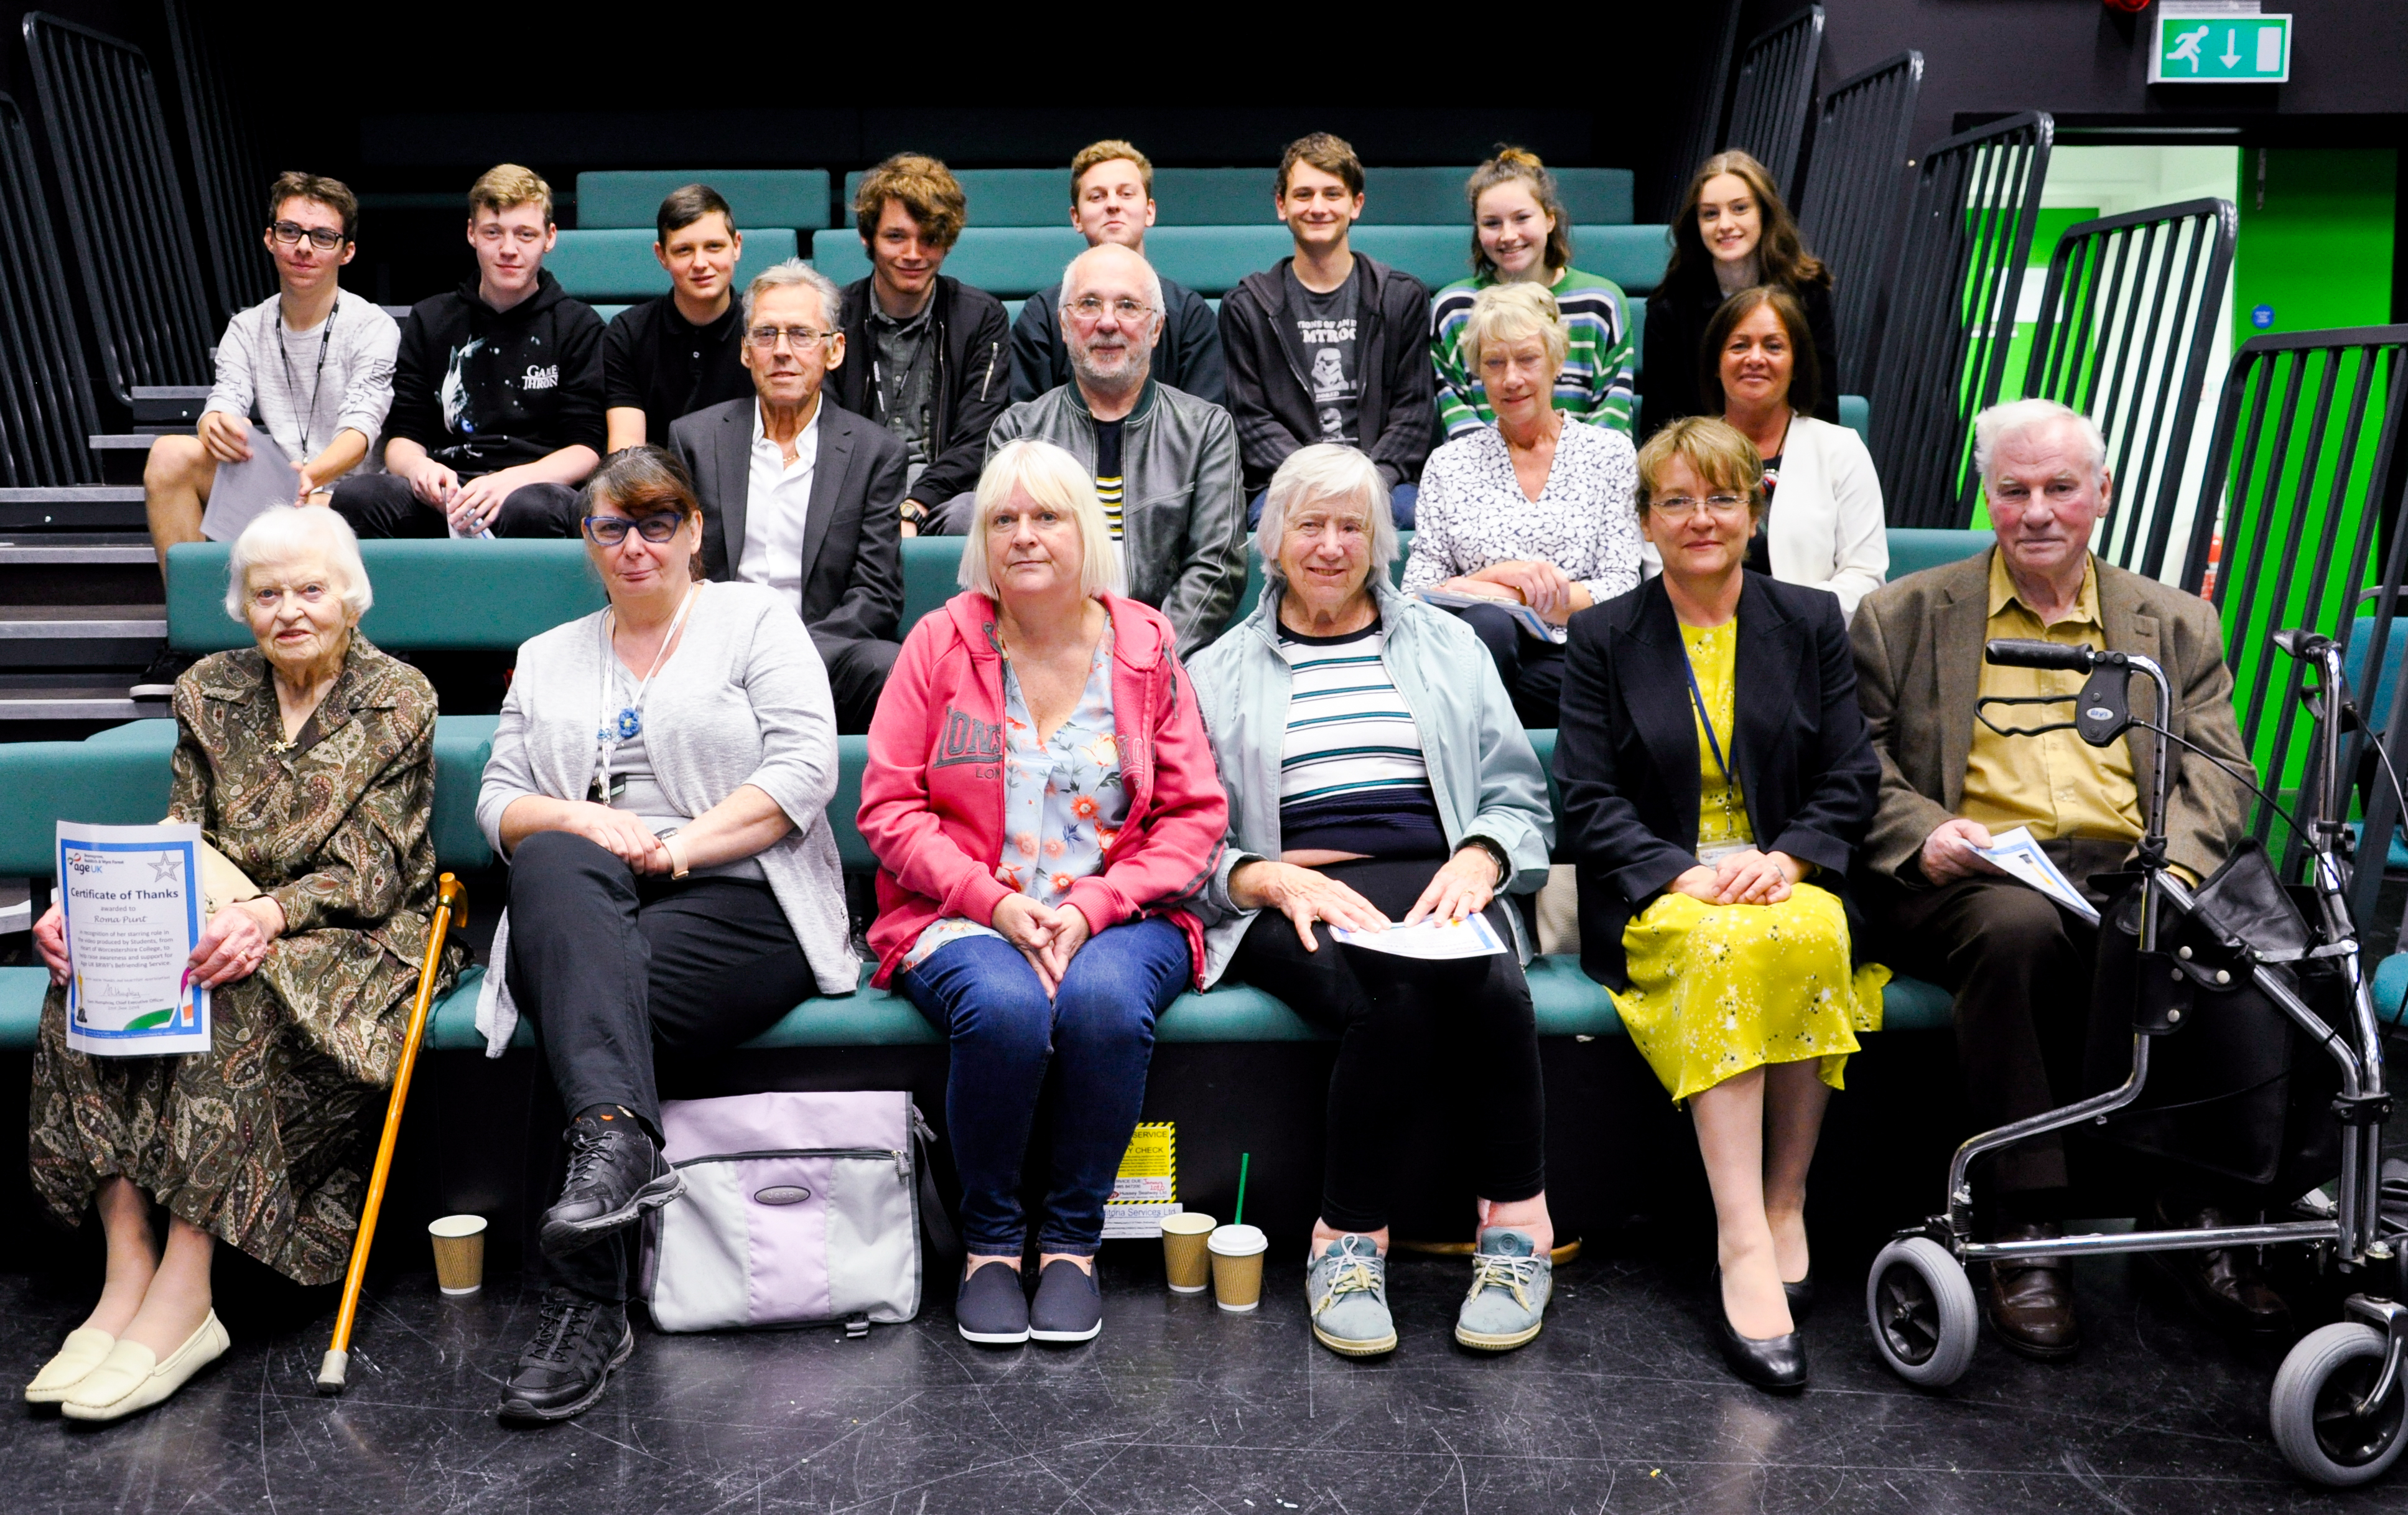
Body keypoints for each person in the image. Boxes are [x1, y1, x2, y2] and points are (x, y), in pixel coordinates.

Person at [1851, 398, 2269, 1362]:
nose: (2036, 509)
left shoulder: (2173, 621)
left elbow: (2218, 770)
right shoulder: (1903, 615)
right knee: (2015, 928)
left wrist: (2175, 867)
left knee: (2225, 934)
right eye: (2013, 489)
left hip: (2131, 860)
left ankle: (2203, 1205)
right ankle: (2026, 1223)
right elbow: (1858, 766)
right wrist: (1925, 831)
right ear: (1986, 497)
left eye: (2058, 488)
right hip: (1972, 872)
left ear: (2100, 495)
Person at [24, 506, 458, 1420]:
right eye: (267, 592)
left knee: (233, 997)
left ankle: (187, 1289)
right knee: (83, 987)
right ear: (241, 606)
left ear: (348, 596)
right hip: (224, 911)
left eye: (310, 588)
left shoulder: (399, 694)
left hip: (358, 932)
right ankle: (126, 1268)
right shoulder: (209, 690)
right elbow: (185, 831)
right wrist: (92, 907)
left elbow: (373, 868)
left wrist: (268, 913)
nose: (290, 609)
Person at [476, 447, 855, 1422]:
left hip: (742, 897)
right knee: (555, 860)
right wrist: (580, 821)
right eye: (612, 526)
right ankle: (616, 1144)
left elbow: (805, 771)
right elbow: (498, 802)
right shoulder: (550, 650)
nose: (634, 544)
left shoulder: (754, 623)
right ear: (588, 539)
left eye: (655, 522)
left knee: (578, 1002)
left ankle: (582, 1306)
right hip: (584, 909)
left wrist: (678, 847)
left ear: (692, 531)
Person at [858, 439, 1228, 1350]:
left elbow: (1192, 817)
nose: (1024, 536)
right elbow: (889, 806)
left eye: (1046, 515)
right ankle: (990, 1242)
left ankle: (1069, 1240)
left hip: (1121, 910)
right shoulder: (940, 642)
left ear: (1085, 531)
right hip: (960, 909)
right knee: (1005, 1005)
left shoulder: (1143, 642)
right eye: (1003, 518)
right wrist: (991, 902)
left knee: (1102, 1002)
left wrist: (1091, 907)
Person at [1190, 442, 1558, 1359]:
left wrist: (1480, 854)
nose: (1328, 545)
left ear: (1377, 541)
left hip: (1436, 878)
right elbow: (1184, 835)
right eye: (1307, 524)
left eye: (1349, 525)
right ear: (1271, 542)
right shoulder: (1213, 672)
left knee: (1493, 987)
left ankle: (1516, 1229)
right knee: (1387, 1002)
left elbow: (1518, 796)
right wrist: (1261, 876)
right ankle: (1345, 1239)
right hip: (1293, 895)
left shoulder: (1448, 642)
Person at [1554, 416, 1885, 1392]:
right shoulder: (1602, 634)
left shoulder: (1809, 619)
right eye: (1676, 501)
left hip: (1783, 872)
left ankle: (1786, 1199)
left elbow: (1850, 773)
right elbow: (1584, 794)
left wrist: (1787, 859)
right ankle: (1741, 1236)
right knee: (1724, 946)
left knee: (1804, 928)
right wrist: (1676, 871)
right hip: (1664, 887)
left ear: (1754, 508)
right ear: (1646, 521)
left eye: (1721, 497)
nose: (1701, 519)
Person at [134, 171, 400, 698]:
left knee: (347, 490)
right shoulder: (246, 326)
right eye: (290, 231)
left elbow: (362, 427)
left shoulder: (372, 326)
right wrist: (214, 423)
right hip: (277, 481)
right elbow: (225, 400)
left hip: (346, 489)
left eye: (322, 236)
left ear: (345, 252)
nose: (303, 247)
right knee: (170, 454)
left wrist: (318, 476)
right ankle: (193, 637)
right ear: (269, 238)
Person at [938, 245, 1244, 656]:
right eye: (1088, 304)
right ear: (1063, 324)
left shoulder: (1206, 429)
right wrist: (1074, 664)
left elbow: (1216, 568)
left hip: (1169, 658)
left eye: (1128, 306)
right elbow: (1006, 568)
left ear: (1156, 329)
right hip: (1046, 657)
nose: (1106, 322)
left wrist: (1148, 656)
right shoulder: (1018, 430)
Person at [669, 261, 905, 734]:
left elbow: (876, 593)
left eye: (800, 335)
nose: (781, 351)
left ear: (834, 350)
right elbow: (679, 571)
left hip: (822, 653)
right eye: (765, 335)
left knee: (889, 666)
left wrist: (792, 654)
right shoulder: (694, 439)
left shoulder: (875, 450)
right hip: (716, 652)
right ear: (745, 351)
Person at [1401, 282, 1643, 728]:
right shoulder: (1449, 463)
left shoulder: (1610, 454)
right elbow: (1415, 593)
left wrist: (1504, 596)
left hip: (1577, 654)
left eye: (1526, 359)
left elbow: (1623, 586)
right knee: (1488, 628)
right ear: (1478, 373)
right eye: (1494, 362)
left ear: (1555, 362)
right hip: (1476, 655)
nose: (1511, 378)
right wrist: (1496, 577)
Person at [331, 164, 604, 539]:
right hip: (445, 492)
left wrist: (513, 480)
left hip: (532, 487)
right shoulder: (430, 319)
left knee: (538, 508)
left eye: (525, 234)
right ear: (472, 233)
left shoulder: (579, 326)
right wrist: (418, 469)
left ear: (550, 237)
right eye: (494, 233)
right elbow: (404, 437)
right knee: (357, 497)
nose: (509, 249)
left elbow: (586, 448)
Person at [1221, 132, 1434, 528]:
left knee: (1422, 520)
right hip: (1287, 486)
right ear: (1282, 206)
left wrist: (1366, 483)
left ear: (1356, 205)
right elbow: (1251, 423)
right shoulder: (1248, 307)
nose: (1317, 208)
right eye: (1303, 195)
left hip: (1383, 483)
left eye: (1332, 194)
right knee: (1274, 523)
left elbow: (1414, 415)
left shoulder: (1400, 297)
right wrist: (1317, 485)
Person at [823, 154, 1010, 540]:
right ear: (867, 236)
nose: (913, 254)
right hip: (851, 492)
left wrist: (917, 504)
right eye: (896, 236)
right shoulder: (832, 316)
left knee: (971, 515)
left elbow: (980, 437)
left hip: (946, 498)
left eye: (930, 239)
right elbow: (822, 428)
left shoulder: (981, 317)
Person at [1704, 285, 1885, 617]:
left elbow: (1865, 580)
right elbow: (1661, 570)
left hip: (1808, 645)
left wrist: (1777, 617)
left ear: (1796, 364)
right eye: (1739, 346)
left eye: (1773, 346)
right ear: (1717, 363)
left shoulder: (1840, 450)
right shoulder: (1685, 457)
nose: (1755, 358)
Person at [1430, 148, 1637, 439]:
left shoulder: (1601, 303)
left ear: (1550, 220)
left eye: (1522, 218)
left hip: (1587, 473)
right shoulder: (1453, 309)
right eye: (1492, 223)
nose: (1508, 235)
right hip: (1483, 474)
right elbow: (1455, 409)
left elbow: (1613, 406)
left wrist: (1560, 468)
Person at [1010, 140, 1225, 406]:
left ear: (1149, 211)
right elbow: (1027, 428)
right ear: (1076, 218)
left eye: (1126, 194)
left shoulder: (1191, 316)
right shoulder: (1041, 317)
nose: (1112, 205)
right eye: (1097, 196)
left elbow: (1204, 426)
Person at [1644, 152, 1838, 432]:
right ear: (1696, 224)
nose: (1725, 225)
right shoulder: (1669, 308)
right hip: (1703, 464)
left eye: (1739, 209)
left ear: (1764, 212)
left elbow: (1820, 408)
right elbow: (1661, 426)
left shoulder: (1807, 294)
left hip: (1792, 455)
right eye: (1710, 214)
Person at [602, 184, 755, 452]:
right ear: (662, 256)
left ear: (737, 246)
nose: (700, 263)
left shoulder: (763, 333)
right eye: (684, 250)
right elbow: (626, 449)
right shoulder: (627, 333)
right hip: (658, 488)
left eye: (714, 247)